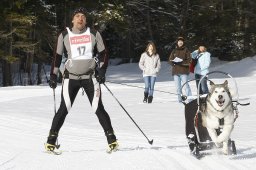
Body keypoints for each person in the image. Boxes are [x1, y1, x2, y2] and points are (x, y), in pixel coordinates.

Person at [45, 7, 118, 153]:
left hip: (90, 77)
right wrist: (53, 75)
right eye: (77, 16)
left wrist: (102, 70)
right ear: (72, 19)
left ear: (86, 19)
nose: (80, 19)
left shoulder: (94, 33)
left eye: (83, 16)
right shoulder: (64, 34)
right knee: (64, 109)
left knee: (98, 108)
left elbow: (104, 53)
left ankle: (112, 141)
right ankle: (51, 142)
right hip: (70, 78)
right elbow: (57, 57)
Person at [168, 37, 192, 103]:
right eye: (179, 41)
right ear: (177, 42)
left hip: (183, 71)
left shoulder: (186, 51)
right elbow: (170, 60)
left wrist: (181, 63)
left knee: (186, 86)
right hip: (175, 72)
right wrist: (173, 62)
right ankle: (180, 100)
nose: (180, 42)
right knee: (178, 88)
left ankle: (190, 99)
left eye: (181, 41)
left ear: (183, 43)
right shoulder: (174, 51)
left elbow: (189, 61)